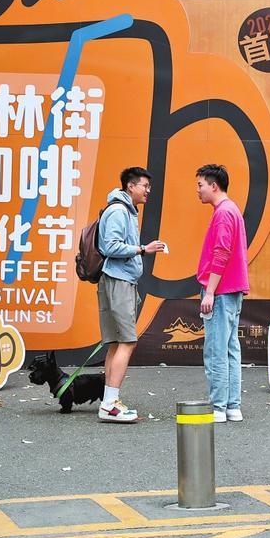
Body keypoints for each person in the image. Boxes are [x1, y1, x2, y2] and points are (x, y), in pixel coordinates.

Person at [96, 166, 166, 423]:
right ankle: (110, 404)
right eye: (144, 186)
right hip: (119, 282)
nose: (148, 191)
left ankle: (108, 401)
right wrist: (143, 249)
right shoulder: (119, 211)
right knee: (127, 341)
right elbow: (111, 246)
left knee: (116, 343)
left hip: (115, 281)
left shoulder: (122, 209)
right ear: (130, 186)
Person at [196, 164, 250, 423]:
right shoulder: (232, 210)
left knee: (216, 351)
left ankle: (218, 407)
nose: (198, 190)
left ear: (213, 186)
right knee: (229, 349)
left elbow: (221, 253)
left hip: (221, 291)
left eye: (200, 185)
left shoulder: (223, 213)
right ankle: (232, 406)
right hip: (232, 290)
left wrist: (209, 291)